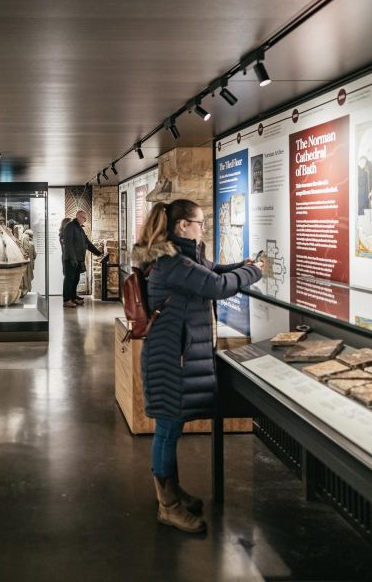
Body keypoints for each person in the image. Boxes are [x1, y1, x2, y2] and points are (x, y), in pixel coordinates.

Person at [132, 199, 262, 534]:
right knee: (167, 430)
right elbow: (216, 287)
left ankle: (171, 492)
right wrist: (255, 271)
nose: (203, 228)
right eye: (200, 222)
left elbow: (211, 271)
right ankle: (168, 506)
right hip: (170, 357)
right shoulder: (172, 262)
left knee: (169, 428)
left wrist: (241, 264)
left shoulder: (183, 256)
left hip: (174, 353)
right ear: (182, 226)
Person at [61, 210, 102, 308]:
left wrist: (98, 253)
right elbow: (69, 244)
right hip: (71, 259)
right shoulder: (70, 227)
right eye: (84, 218)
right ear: (79, 216)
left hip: (78, 259)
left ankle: (73, 297)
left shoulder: (80, 229)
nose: (85, 220)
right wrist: (72, 258)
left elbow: (87, 243)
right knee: (69, 279)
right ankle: (66, 300)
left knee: (75, 279)